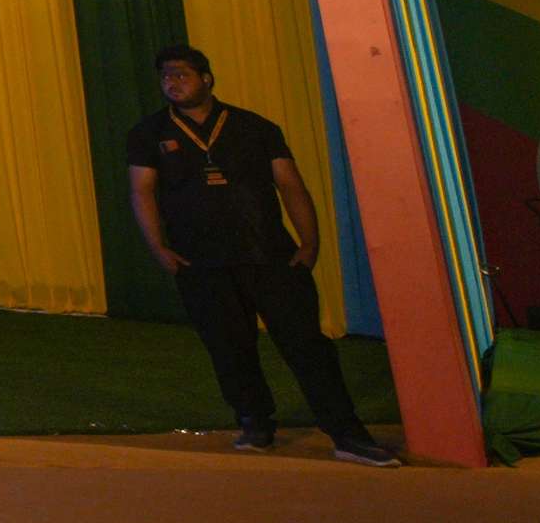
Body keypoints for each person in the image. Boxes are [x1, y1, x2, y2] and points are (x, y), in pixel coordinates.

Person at [123, 45, 397, 464]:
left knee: (306, 346)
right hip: (201, 262)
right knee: (228, 348)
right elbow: (141, 191)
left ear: (207, 78)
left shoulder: (255, 127)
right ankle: (255, 422)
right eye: (165, 76)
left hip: (269, 256)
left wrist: (309, 243)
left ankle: (347, 434)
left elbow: (290, 184)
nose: (172, 82)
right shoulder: (148, 133)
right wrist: (158, 247)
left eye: (181, 74)